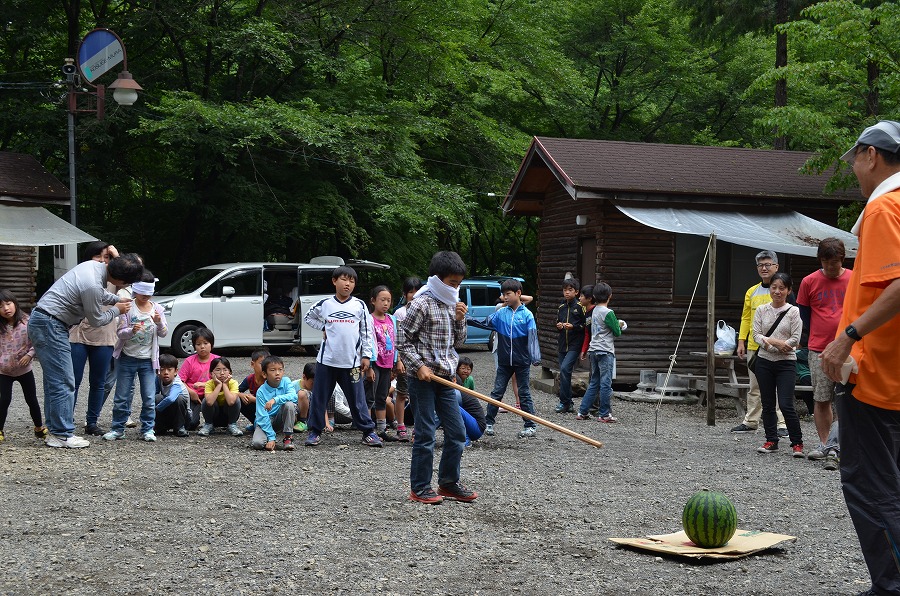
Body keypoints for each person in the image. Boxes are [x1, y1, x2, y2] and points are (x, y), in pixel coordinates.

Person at [820, 120, 900, 595]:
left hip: (876, 378)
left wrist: (846, 336)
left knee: (873, 489)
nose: (852, 168)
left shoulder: (886, 205)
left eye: (853, 158)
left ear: (871, 154)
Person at [27, 252, 143, 448]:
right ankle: (62, 434)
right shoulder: (92, 284)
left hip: (46, 321)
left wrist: (115, 299)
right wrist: (117, 310)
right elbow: (97, 319)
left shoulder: (94, 266)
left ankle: (55, 431)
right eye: (126, 284)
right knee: (64, 380)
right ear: (121, 280)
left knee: (54, 381)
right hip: (50, 323)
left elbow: (100, 294)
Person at [398, 251, 476, 504]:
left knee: (457, 432)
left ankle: (448, 483)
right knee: (426, 433)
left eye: (459, 283)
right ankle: (419, 488)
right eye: (453, 283)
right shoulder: (421, 303)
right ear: (438, 280)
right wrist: (419, 366)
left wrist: (460, 320)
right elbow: (402, 340)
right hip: (422, 380)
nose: (457, 288)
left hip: (445, 379)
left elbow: (458, 342)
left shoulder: (453, 304)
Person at [303, 265, 382, 448]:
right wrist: (323, 327)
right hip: (326, 361)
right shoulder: (325, 304)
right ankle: (315, 431)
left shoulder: (359, 305)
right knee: (320, 396)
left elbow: (366, 332)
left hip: (352, 362)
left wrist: (366, 356)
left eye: (352, 281)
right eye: (344, 280)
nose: (348, 284)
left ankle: (368, 432)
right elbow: (308, 317)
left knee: (357, 398)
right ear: (334, 281)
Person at [797, 238, 850, 470]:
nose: (831, 267)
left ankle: (840, 446)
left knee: (846, 400)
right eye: (828, 262)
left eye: (836, 262)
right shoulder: (809, 282)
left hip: (849, 348)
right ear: (821, 260)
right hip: (818, 348)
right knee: (821, 398)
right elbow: (805, 315)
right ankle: (825, 444)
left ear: (843, 260)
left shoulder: (853, 278)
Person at [104, 271, 169, 443]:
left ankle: (147, 429)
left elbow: (163, 333)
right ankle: (118, 428)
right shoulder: (128, 307)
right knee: (121, 396)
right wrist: (131, 331)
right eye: (142, 292)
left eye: (149, 292)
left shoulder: (157, 309)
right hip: (127, 357)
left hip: (148, 360)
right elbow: (120, 332)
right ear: (135, 290)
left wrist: (158, 322)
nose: (146, 296)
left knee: (148, 396)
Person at [472, 279, 541, 438]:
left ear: (518, 293)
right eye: (503, 294)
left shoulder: (527, 315)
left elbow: (532, 338)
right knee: (497, 392)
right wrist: (465, 318)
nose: (505, 297)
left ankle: (530, 425)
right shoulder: (501, 314)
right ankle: (488, 423)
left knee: (524, 393)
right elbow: (484, 323)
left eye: (508, 294)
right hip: (504, 362)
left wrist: (535, 358)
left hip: (522, 362)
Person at [731, 250, 788, 437]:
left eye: (768, 264)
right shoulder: (752, 291)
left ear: (776, 266)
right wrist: (741, 341)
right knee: (754, 386)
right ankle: (751, 420)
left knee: (779, 387)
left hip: (778, 347)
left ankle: (782, 424)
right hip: (755, 347)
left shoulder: (783, 289)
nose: (764, 268)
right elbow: (746, 317)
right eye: (761, 265)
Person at [69, 241, 120, 436]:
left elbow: (132, 277)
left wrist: (116, 255)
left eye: (106, 257)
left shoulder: (114, 279)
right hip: (79, 335)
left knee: (98, 382)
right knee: (73, 381)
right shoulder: (83, 276)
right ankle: (67, 419)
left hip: (105, 336)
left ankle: (92, 422)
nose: (102, 260)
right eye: (97, 256)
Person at [752, 272, 804, 456]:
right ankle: (771, 440)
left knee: (786, 403)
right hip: (764, 362)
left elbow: (796, 338)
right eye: (774, 287)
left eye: (782, 288)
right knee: (767, 403)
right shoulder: (761, 310)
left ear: (789, 290)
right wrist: (776, 344)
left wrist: (778, 345)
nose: (777, 291)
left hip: (786, 363)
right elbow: (756, 335)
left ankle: (797, 442)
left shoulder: (794, 311)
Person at [575, 282, 625, 422]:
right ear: (610, 296)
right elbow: (617, 332)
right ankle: (604, 413)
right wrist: (621, 325)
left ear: (594, 296)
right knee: (605, 383)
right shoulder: (608, 313)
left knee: (594, 383)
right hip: (605, 351)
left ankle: (582, 411)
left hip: (593, 349)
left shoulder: (593, 310)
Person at [0, 290, 46, 442]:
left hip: (24, 369)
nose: (6, 308)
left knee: (31, 399)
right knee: (3, 400)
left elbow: (36, 341)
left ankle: (39, 428)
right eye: (1, 306)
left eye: (8, 304)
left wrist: (30, 354)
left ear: (15, 303)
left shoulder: (27, 321)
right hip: (3, 371)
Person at [365, 285, 403, 442]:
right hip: (375, 363)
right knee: (369, 397)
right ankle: (367, 430)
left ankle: (381, 430)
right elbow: (366, 341)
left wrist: (398, 360)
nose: (386, 303)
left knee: (382, 396)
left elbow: (396, 341)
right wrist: (368, 367)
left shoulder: (392, 319)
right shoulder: (368, 319)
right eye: (382, 300)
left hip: (388, 363)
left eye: (388, 300)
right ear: (373, 301)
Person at [391, 277, 422, 442]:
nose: (414, 295)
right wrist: (399, 361)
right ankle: (401, 425)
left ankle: (418, 427)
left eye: (417, 291)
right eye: (411, 291)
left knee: (418, 395)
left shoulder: (424, 310)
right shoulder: (400, 313)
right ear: (405, 294)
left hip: (421, 361)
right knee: (402, 393)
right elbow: (399, 340)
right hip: (405, 360)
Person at [251, 355, 298, 451]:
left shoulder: (286, 381)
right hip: (266, 420)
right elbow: (262, 416)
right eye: (272, 370)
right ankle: (271, 437)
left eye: (280, 370)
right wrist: (271, 437)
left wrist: (275, 399)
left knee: (289, 404)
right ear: (264, 374)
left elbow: (294, 396)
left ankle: (288, 437)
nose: (277, 373)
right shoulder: (261, 391)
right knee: (258, 444)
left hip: (280, 418)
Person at [178, 328, 218, 430]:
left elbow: (223, 381)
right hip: (193, 397)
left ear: (211, 344)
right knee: (191, 423)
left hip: (211, 396)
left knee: (218, 421)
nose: (202, 347)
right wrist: (191, 392)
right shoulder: (189, 361)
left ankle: (212, 421)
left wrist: (205, 385)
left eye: (205, 343)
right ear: (194, 346)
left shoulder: (217, 360)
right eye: (198, 344)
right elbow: (180, 381)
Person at [555, 277, 585, 413]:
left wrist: (574, 326)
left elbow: (585, 326)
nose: (567, 293)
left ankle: (564, 402)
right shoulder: (561, 307)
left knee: (565, 369)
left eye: (570, 290)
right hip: (562, 344)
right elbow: (557, 322)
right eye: (565, 290)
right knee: (564, 372)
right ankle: (568, 403)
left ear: (576, 292)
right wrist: (559, 326)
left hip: (574, 344)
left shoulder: (580, 307)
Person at [198, 357, 244, 437]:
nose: (222, 373)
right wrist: (219, 385)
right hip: (214, 415)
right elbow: (209, 402)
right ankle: (208, 425)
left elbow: (231, 402)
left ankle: (232, 425)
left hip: (228, 415)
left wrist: (225, 385)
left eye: (225, 370)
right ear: (211, 373)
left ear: (230, 372)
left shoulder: (233, 383)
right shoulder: (209, 384)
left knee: (236, 399)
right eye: (218, 370)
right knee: (206, 400)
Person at [154, 353, 190, 437]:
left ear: (175, 371)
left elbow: (170, 399)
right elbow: (154, 394)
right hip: (168, 411)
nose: (166, 373)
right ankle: (160, 427)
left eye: (169, 370)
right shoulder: (158, 378)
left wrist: (156, 409)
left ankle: (180, 428)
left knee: (179, 398)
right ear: (157, 371)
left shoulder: (177, 383)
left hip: (183, 416)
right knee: (157, 397)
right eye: (162, 369)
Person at [237, 349, 270, 432]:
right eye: (262, 363)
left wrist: (254, 400)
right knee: (238, 399)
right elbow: (235, 390)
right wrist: (241, 395)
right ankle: (255, 422)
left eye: (267, 364)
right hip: (258, 410)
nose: (265, 367)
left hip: (270, 411)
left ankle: (261, 425)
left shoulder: (271, 380)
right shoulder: (250, 379)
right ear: (252, 364)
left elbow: (271, 402)